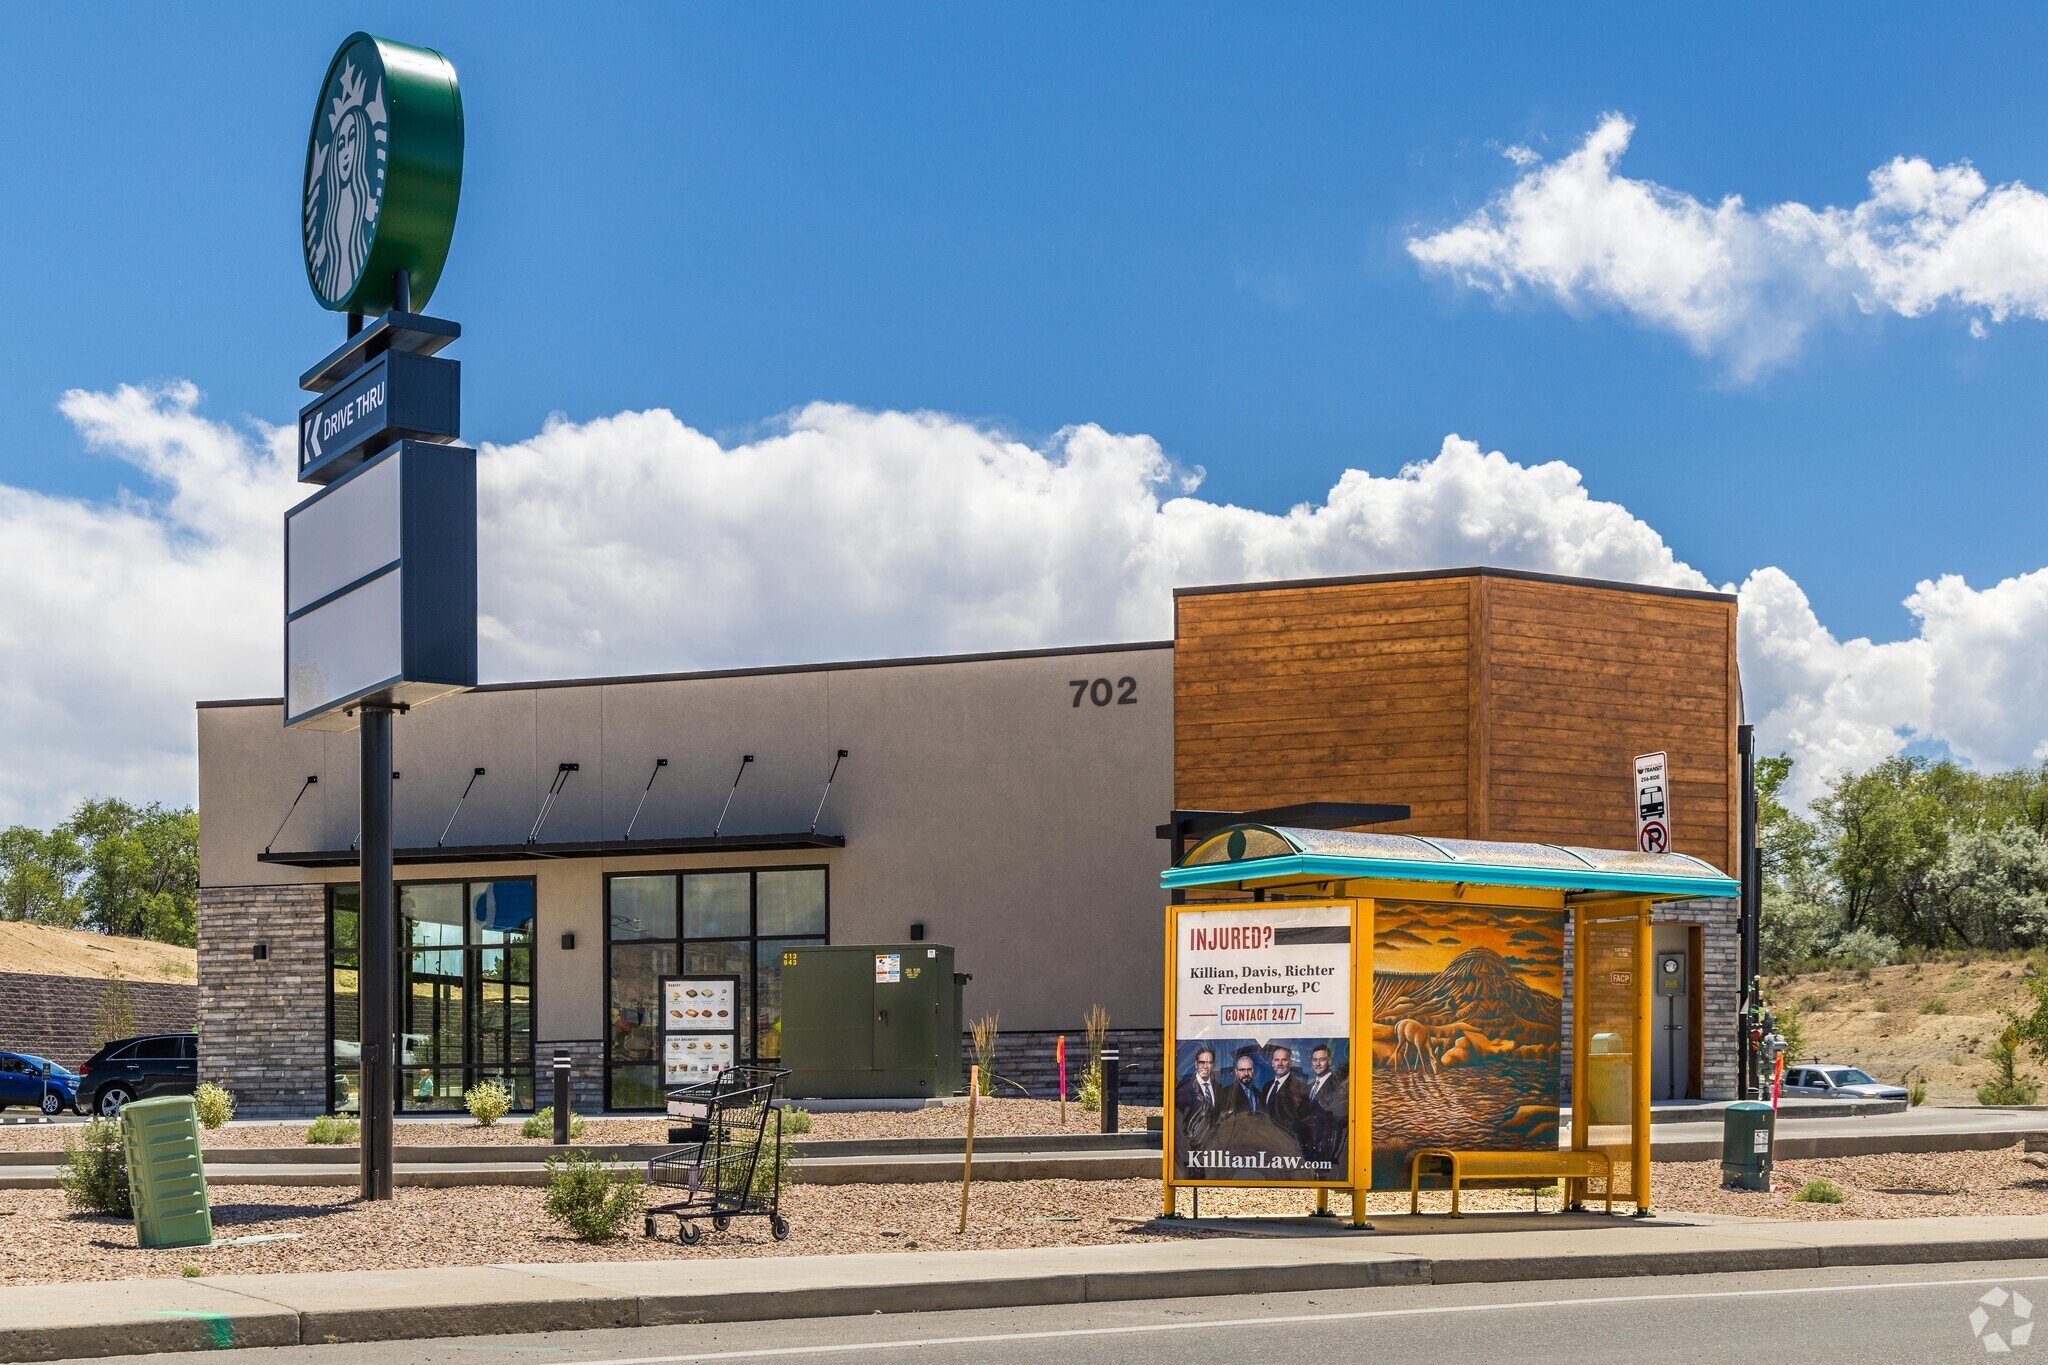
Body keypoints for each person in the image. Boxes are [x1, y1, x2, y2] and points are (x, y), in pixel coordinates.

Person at [1174, 1047, 1223, 1175]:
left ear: (1213, 1065)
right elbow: (1180, 1123)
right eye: (1202, 1062)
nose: (1206, 1066)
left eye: (1209, 1062)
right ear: (1196, 1064)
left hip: (1213, 1148)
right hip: (1193, 1150)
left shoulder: (1218, 1087)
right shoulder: (1185, 1090)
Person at [1303, 1043, 1348, 1175]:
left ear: (1329, 1061)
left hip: (1327, 1150)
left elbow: (1337, 1123)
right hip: (1311, 1149)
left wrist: (1332, 1155)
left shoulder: (1337, 1085)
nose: (1317, 1064)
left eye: (1322, 1060)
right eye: (1314, 1060)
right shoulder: (1310, 1086)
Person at [1263, 1044, 1311, 1138]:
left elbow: (1304, 1124)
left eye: (1284, 1060)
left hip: (1287, 1144)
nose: (1280, 1063)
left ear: (1290, 1062)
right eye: (1277, 1060)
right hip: (1265, 1141)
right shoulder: (1267, 1086)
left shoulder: (1301, 1089)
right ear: (1272, 1063)